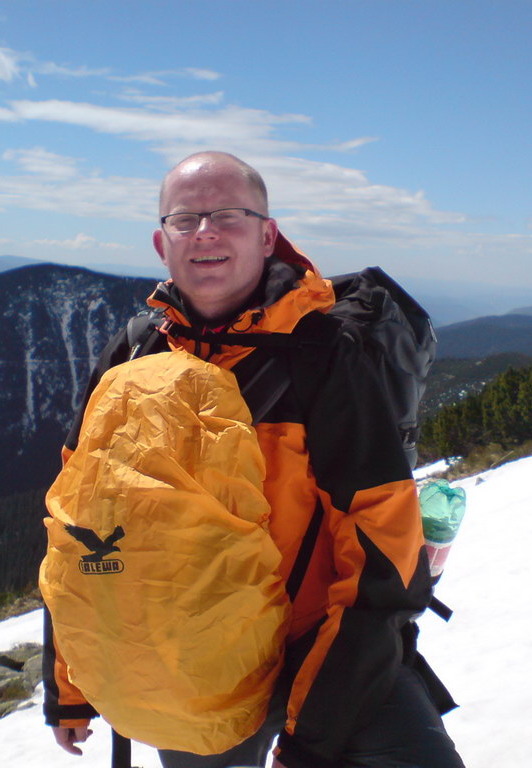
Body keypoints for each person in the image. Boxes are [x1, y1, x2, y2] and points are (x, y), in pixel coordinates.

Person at [42, 151, 466, 768]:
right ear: (162, 243)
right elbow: (79, 524)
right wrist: (70, 686)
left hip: (321, 651)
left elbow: (381, 535)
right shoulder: (131, 356)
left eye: (228, 215)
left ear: (268, 236)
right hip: (189, 662)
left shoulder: (325, 354)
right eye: (186, 218)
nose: (205, 232)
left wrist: (317, 725)